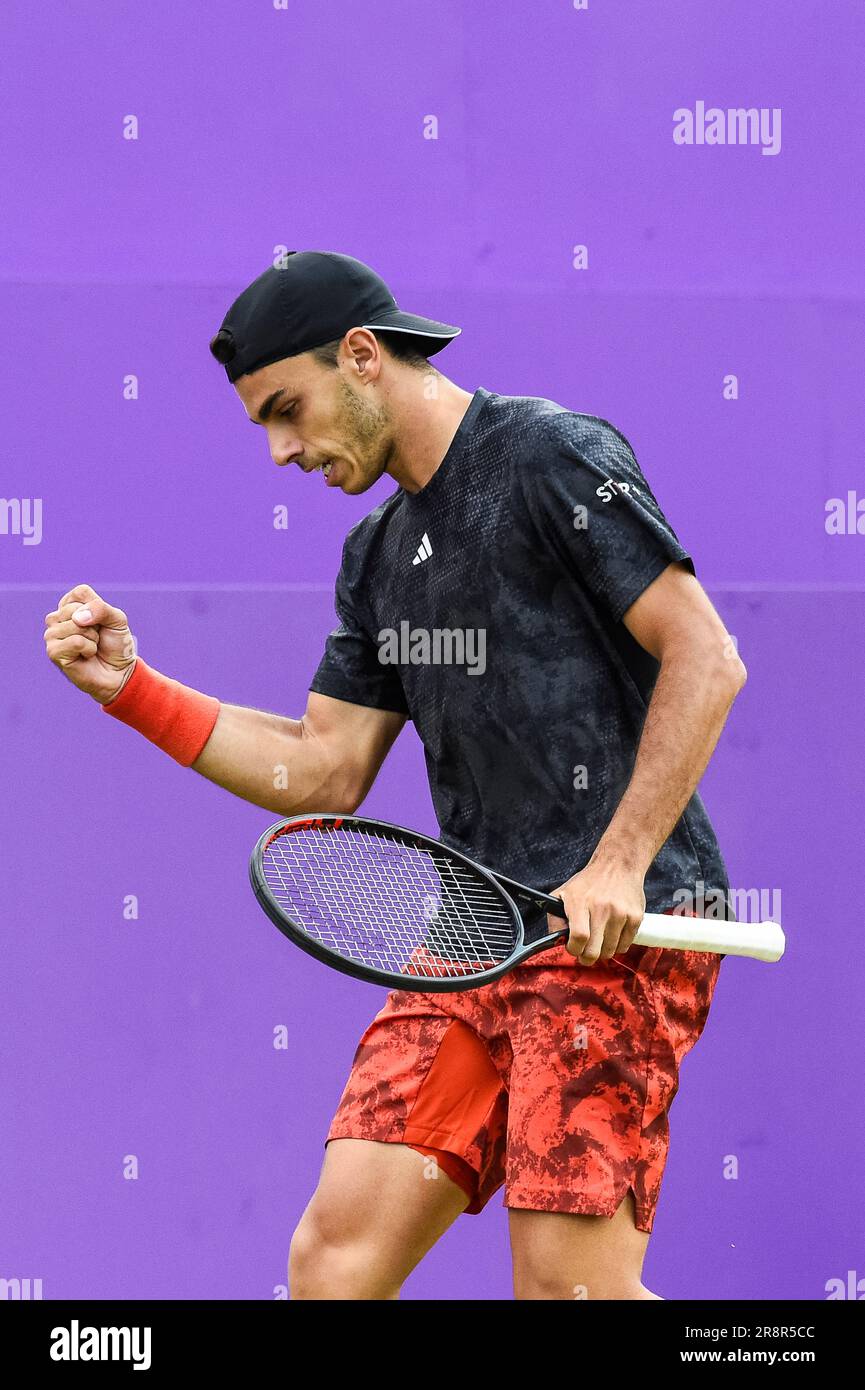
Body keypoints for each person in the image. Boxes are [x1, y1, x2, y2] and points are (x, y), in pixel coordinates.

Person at [44, 251, 747, 1300]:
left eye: (289, 409)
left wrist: (619, 863)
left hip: (620, 929)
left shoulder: (551, 456)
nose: (283, 452)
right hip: (475, 937)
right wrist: (131, 687)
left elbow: (705, 655)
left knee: (569, 1290)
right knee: (333, 1264)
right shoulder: (375, 553)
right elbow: (322, 770)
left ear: (363, 357)